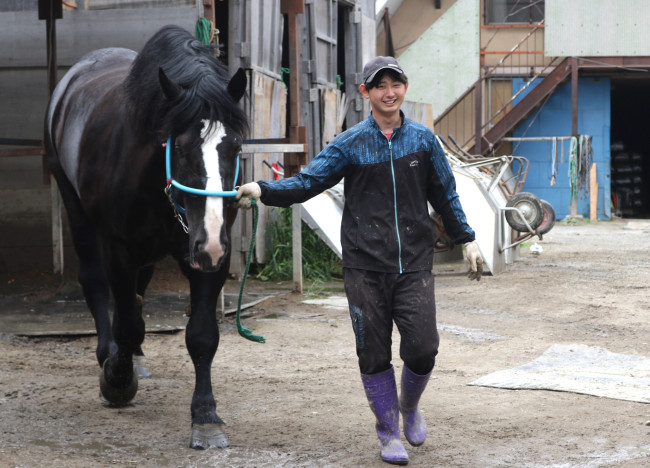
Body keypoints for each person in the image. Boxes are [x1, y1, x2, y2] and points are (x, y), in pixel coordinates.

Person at [236, 56, 483, 466]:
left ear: (405, 87)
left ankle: (409, 407)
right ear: (365, 92)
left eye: (396, 83)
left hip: (414, 265)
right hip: (364, 267)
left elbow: (445, 194)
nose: (390, 92)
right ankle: (388, 432)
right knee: (373, 353)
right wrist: (262, 189)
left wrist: (468, 239)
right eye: (380, 85)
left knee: (423, 348)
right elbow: (307, 183)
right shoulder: (350, 144)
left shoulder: (423, 141)